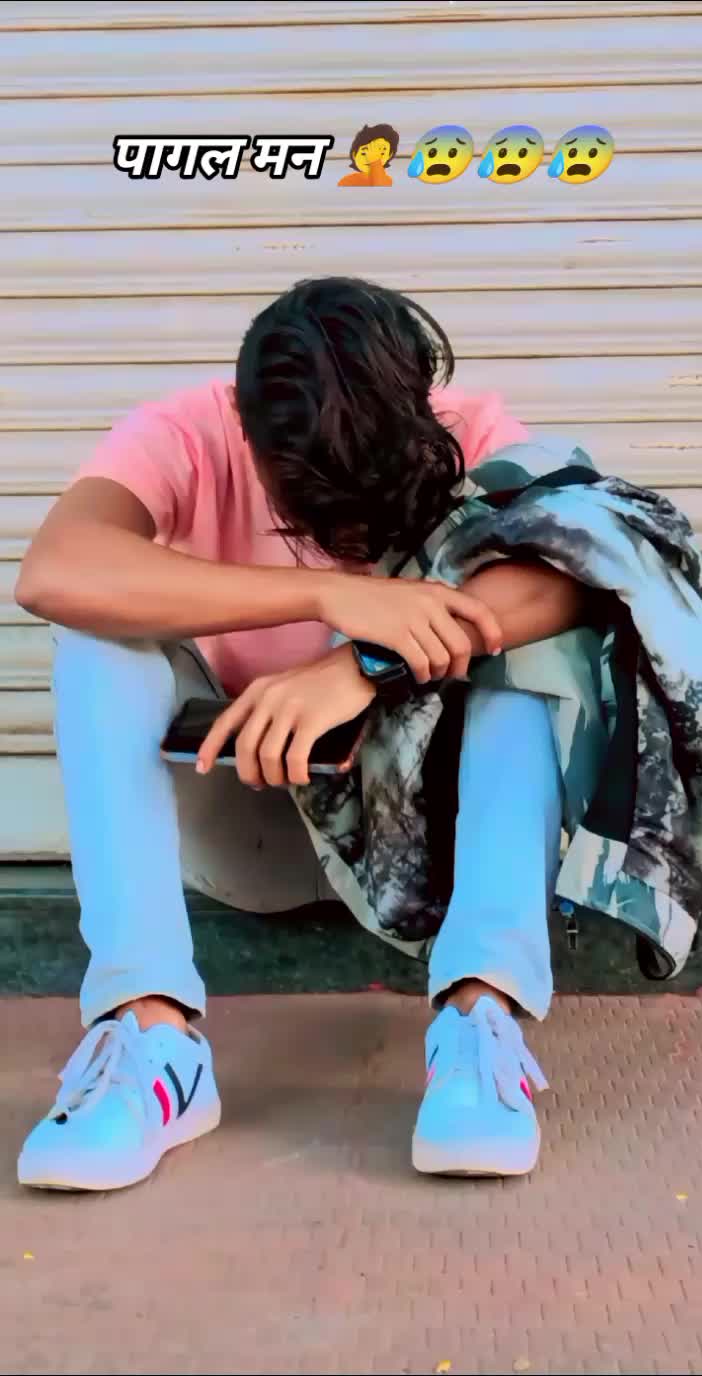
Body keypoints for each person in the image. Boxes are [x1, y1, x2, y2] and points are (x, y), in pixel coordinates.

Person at [14, 277, 589, 1191]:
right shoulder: (191, 431)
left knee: (535, 648)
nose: (342, 539)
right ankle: (153, 1046)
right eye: (310, 512)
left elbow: (576, 579)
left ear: (423, 414)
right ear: (248, 433)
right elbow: (53, 569)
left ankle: (479, 1031)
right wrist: (325, 596)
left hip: (415, 837)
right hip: (244, 820)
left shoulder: (471, 429)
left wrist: (359, 664)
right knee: (95, 635)